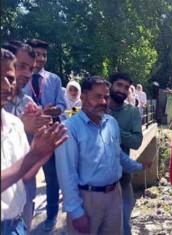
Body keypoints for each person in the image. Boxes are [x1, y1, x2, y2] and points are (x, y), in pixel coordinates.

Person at [55, 76, 151, 234]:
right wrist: (76, 212)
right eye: (97, 97)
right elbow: (67, 174)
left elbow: (117, 156)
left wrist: (139, 166)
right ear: (83, 97)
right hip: (88, 199)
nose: (103, 102)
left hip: (114, 195)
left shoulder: (111, 123)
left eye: (105, 97)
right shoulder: (70, 128)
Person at [1, 48, 68, 235]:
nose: (27, 73)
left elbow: (26, 176)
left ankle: (51, 216)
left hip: (17, 221)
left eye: (29, 68)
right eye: (20, 66)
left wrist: (44, 150)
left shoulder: (20, 112)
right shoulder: (17, 122)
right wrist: (33, 153)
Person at [23, 38, 66, 231]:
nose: (41, 58)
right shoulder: (19, 78)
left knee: (52, 178)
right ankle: (23, 215)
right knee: (25, 176)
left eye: (44, 55)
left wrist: (56, 109)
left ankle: (51, 216)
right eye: (37, 54)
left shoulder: (54, 79)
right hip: (25, 137)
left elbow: (63, 106)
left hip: (49, 136)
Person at [108, 73, 143, 235]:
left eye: (126, 87)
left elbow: (136, 142)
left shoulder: (132, 113)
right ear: (111, 85)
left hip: (123, 177)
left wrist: (114, 131)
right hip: (93, 180)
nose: (122, 90)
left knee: (124, 225)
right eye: (119, 85)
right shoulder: (98, 108)